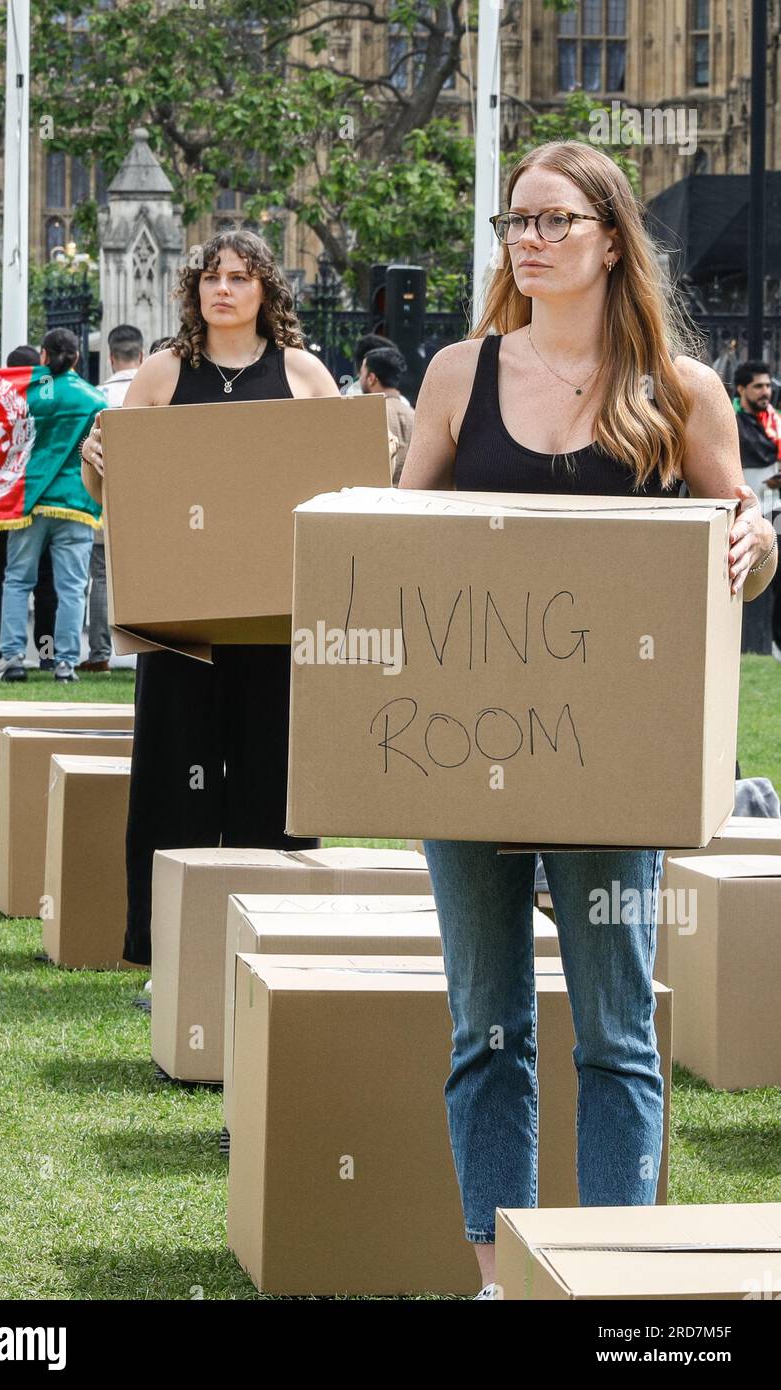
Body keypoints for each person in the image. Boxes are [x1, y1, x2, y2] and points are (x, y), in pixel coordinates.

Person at [398, 138, 777, 1300]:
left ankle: (609, 1275)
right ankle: (496, 1275)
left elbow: (740, 545)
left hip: (613, 749)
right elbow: (397, 535)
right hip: (466, 744)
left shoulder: (677, 388)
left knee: (614, 1031)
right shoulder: (460, 373)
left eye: (555, 220)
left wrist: (754, 540)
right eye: (517, 221)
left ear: (611, 237)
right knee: (487, 1029)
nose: (529, 239)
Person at [80, 228, 333, 968]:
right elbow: (113, 495)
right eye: (211, 277)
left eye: (240, 277)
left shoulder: (305, 373)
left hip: (277, 616)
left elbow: (344, 483)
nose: (223, 289)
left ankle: (273, 929)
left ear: (266, 291)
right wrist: (99, 463)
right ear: (194, 290)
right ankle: (167, 943)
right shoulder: (160, 375)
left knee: (272, 776)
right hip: (181, 616)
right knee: (173, 776)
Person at [0, 328, 106, 683]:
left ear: (43, 355)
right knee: (71, 587)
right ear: (77, 357)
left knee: (17, 580)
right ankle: (66, 663)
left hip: (29, 499)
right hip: (75, 501)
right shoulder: (94, 399)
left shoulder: (26, 396)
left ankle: (11, 657)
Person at [0, 345, 59, 675]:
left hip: (2, 508)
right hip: (40, 503)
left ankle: (0, 651)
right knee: (45, 584)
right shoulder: (48, 404)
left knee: (2, 582)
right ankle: (47, 653)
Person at [78, 325, 145, 673]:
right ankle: (147, 652)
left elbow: (87, 454)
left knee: (101, 577)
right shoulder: (152, 393)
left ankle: (100, 652)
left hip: (106, 500)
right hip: (149, 503)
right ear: (143, 355)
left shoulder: (96, 396)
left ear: (110, 357)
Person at [731, 360, 781, 655]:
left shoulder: (774, 422)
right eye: (758, 386)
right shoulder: (733, 425)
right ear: (741, 389)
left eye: (767, 386)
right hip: (744, 517)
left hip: (776, 513)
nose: (765, 392)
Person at [359, 346, 414, 485]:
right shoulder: (415, 415)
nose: (359, 379)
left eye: (361, 374)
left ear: (371, 378)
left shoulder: (367, 417)